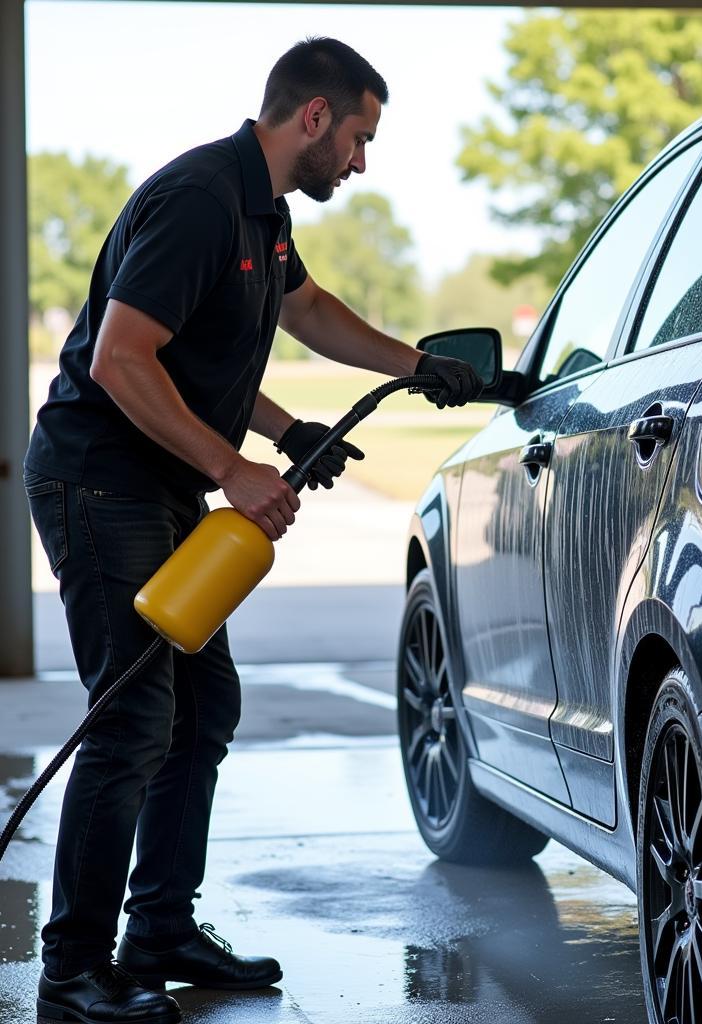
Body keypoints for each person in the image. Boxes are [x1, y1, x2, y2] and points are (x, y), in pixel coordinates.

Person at [23, 36, 483, 1024]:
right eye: (359, 137)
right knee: (135, 718)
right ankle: (72, 968)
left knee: (201, 711)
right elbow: (121, 358)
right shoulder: (200, 199)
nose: (362, 161)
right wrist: (235, 466)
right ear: (312, 118)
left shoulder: (261, 213)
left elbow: (302, 308)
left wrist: (403, 369)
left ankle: (159, 931)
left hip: (157, 485)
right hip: (100, 483)